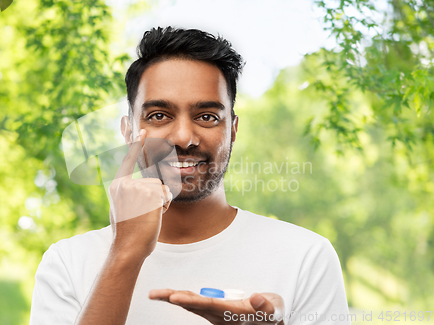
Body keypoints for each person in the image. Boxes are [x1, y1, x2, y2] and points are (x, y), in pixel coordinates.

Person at [30, 26, 351, 325]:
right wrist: (124, 254)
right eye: (159, 115)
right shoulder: (68, 263)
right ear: (128, 131)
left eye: (207, 116)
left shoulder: (305, 257)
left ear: (233, 130)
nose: (184, 137)